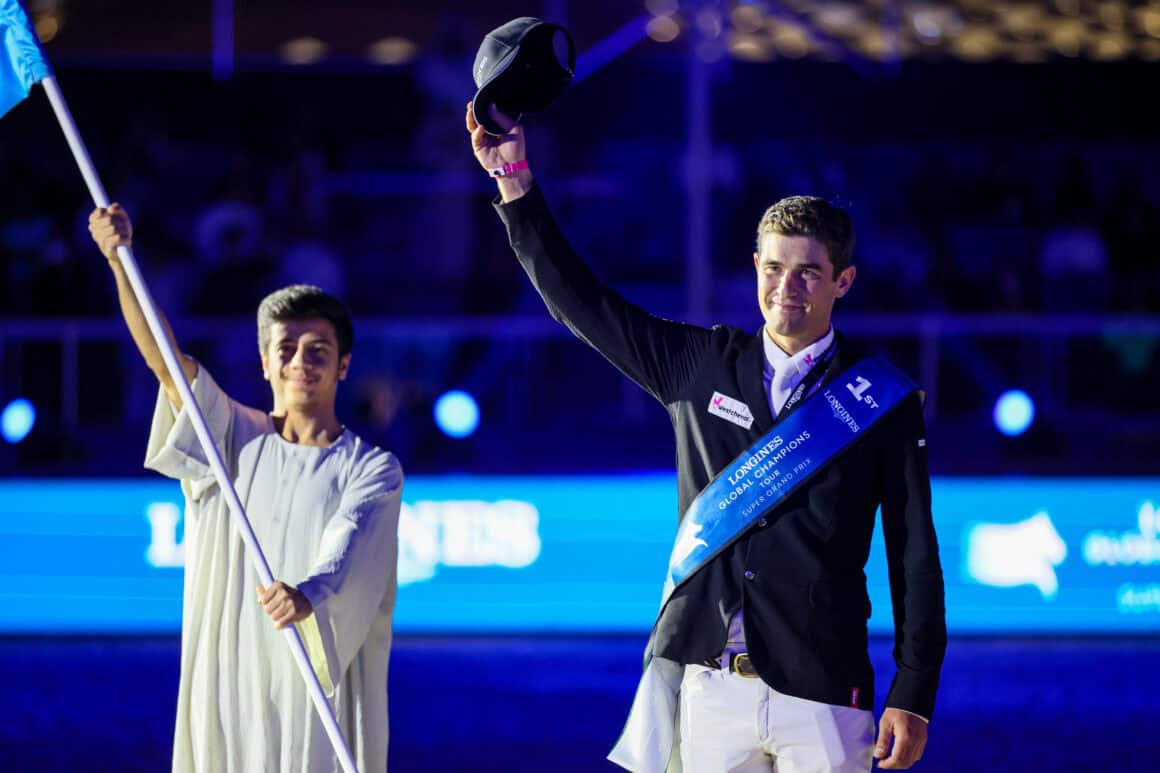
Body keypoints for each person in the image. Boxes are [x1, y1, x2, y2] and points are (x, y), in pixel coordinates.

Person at [466, 104, 946, 772]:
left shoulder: (879, 400)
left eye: (809, 271)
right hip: (709, 685)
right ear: (754, 266)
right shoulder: (698, 366)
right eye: (774, 267)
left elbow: (914, 553)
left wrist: (915, 690)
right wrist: (514, 180)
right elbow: (583, 303)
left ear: (843, 281)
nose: (787, 288)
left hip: (828, 691)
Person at [89, 204, 403, 773]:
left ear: (344, 367)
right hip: (229, 683)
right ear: (264, 363)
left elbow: (353, 545)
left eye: (318, 352)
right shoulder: (229, 436)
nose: (300, 363)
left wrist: (308, 594)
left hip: (315, 686)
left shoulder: (372, 467)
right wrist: (119, 260)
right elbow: (167, 363)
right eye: (286, 350)